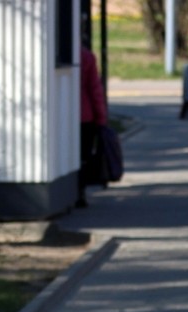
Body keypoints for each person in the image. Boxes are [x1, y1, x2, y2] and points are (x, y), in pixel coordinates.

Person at [78, 38, 107, 208]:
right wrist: (101, 118)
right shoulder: (87, 57)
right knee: (84, 156)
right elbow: (95, 90)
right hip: (85, 116)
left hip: (72, 115)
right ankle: (80, 191)